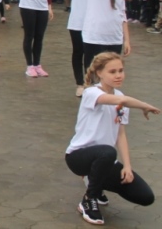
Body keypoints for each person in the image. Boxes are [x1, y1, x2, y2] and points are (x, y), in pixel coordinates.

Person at [65, 52, 158, 225]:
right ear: (99, 73)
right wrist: (144, 106)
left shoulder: (122, 97)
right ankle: (89, 199)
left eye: (121, 71)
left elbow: (120, 134)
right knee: (107, 152)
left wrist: (128, 167)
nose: (118, 75)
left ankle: (95, 182)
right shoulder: (91, 93)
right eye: (112, 71)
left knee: (145, 196)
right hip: (78, 157)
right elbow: (121, 100)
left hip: (105, 160)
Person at [66, 0, 92, 97]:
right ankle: (80, 83)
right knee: (78, 53)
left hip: (92, 24)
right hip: (77, 23)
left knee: (91, 54)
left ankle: (90, 82)